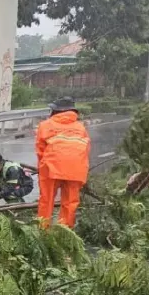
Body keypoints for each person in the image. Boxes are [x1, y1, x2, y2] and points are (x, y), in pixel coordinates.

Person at [35, 97, 90, 229]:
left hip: (51, 168)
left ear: (55, 111)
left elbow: (40, 151)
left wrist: (42, 170)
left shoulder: (45, 125)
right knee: (70, 202)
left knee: (46, 201)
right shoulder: (80, 127)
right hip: (76, 169)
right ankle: (65, 232)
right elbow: (86, 150)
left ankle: (43, 230)